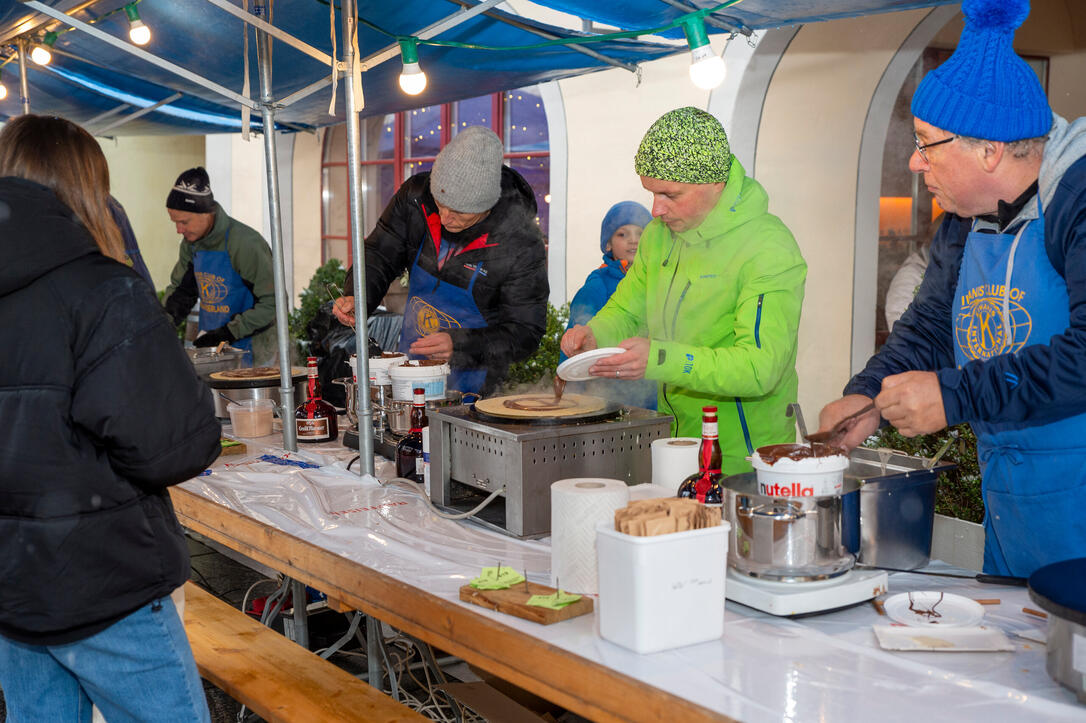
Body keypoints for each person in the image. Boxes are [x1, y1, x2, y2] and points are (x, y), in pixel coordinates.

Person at [816, 0, 1086, 578]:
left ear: (989, 149)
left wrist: (955, 395)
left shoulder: (1077, 204)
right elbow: (935, 324)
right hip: (1013, 504)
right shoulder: (963, 222)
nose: (914, 164)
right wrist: (867, 396)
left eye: (925, 143)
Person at [0, 115, 221, 721]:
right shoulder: (102, 290)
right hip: (104, 576)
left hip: (14, 583)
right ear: (87, 189)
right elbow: (173, 447)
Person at [560, 107, 808, 473]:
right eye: (651, 193)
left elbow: (760, 367)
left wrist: (660, 359)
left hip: (746, 459)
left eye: (670, 195)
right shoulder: (659, 239)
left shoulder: (768, 248)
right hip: (676, 442)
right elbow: (629, 309)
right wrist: (595, 334)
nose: (656, 210)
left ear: (715, 185)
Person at [333, 126, 548, 396]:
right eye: (440, 203)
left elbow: (525, 331)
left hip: (477, 388)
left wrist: (460, 345)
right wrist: (359, 296)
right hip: (410, 371)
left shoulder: (520, 243)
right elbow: (379, 253)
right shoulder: (415, 199)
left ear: (487, 205)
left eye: (459, 210)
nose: (445, 217)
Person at [162, 167, 277, 365]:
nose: (179, 230)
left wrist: (228, 332)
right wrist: (162, 326)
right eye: (175, 222)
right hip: (214, 351)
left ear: (205, 213)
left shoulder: (246, 244)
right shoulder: (191, 244)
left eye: (184, 222)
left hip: (255, 354)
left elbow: (272, 304)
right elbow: (181, 293)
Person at [561, 200, 657, 409]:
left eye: (640, 234)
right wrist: (571, 397)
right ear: (608, 244)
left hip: (652, 392)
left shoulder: (659, 281)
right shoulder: (597, 286)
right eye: (623, 234)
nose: (633, 241)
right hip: (609, 395)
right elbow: (575, 342)